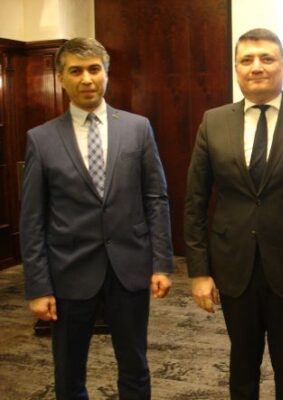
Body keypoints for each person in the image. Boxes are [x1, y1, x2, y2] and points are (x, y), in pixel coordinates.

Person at [184, 28, 283, 399]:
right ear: (237, 69)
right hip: (232, 265)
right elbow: (195, 201)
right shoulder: (213, 122)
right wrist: (199, 272)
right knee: (242, 361)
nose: (257, 67)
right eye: (247, 60)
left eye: (267, 59)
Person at [20, 37, 174, 399]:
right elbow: (32, 219)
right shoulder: (41, 139)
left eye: (94, 69)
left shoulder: (138, 128)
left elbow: (156, 199)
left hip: (129, 269)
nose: (86, 79)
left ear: (106, 73)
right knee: (68, 371)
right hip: (68, 273)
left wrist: (162, 264)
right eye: (76, 71)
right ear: (61, 78)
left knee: (135, 365)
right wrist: (38, 286)